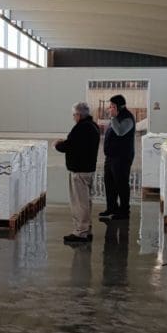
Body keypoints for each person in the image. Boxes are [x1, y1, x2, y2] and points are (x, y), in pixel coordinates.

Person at [54, 102, 101, 244]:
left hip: (79, 171)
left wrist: (57, 144)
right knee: (86, 201)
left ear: (79, 115)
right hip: (88, 169)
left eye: (74, 115)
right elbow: (78, 144)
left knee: (79, 203)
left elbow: (70, 146)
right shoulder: (93, 126)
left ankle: (80, 232)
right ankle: (86, 229)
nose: (73, 117)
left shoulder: (81, 128)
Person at [100, 94, 135, 220]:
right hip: (111, 157)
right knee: (109, 183)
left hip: (122, 157)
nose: (109, 108)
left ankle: (124, 211)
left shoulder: (128, 118)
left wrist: (113, 118)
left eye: (112, 106)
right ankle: (112, 208)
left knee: (121, 184)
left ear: (118, 107)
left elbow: (120, 132)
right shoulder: (116, 117)